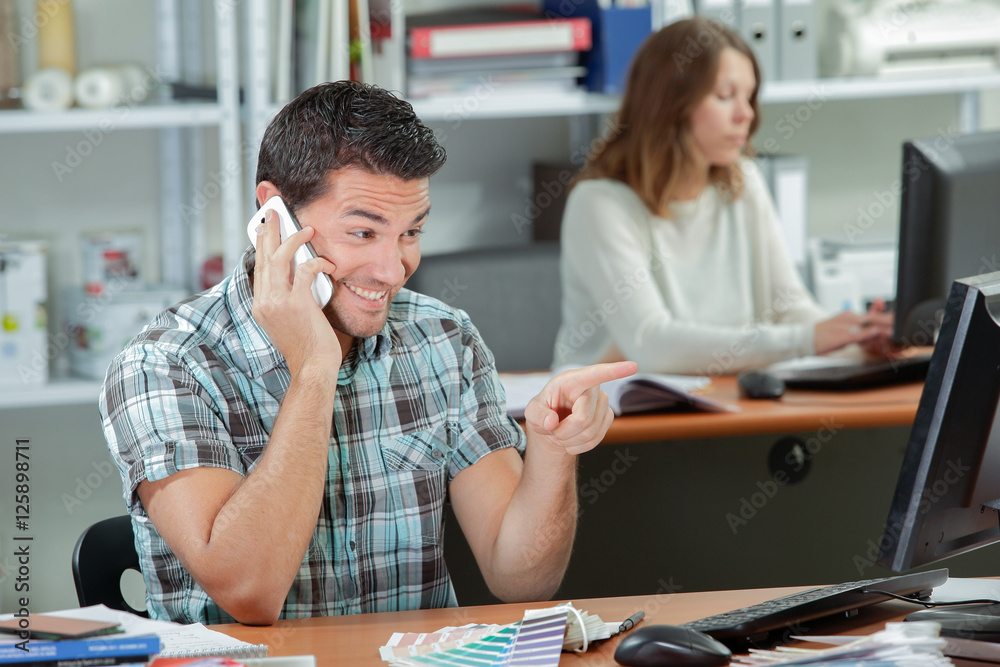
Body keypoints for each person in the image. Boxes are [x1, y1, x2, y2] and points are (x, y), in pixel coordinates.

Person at [99, 81, 636, 625]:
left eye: (411, 233)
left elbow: (521, 579)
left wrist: (551, 452)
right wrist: (314, 367)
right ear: (274, 215)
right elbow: (249, 591)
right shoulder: (166, 364)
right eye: (362, 233)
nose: (393, 268)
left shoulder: (444, 338)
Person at [553, 18, 894, 375]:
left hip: (729, 400)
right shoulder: (599, 204)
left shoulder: (742, 182)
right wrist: (806, 339)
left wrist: (855, 340)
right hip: (612, 419)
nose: (745, 114)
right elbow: (651, 346)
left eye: (748, 96)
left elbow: (791, 311)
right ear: (670, 104)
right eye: (725, 96)